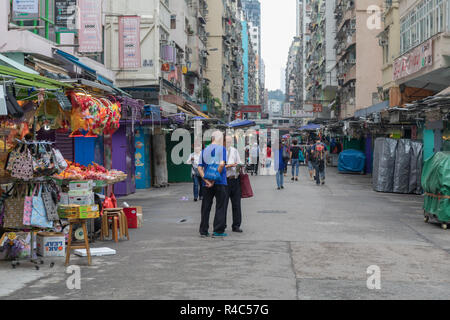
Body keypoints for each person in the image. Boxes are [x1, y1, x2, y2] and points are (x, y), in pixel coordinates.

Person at [197, 131, 228, 237]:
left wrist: (207, 180)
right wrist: (213, 180)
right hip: (220, 182)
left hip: (206, 184)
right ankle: (218, 231)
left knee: (206, 206)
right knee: (220, 206)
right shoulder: (222, 149)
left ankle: (203, 231)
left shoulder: (204, 150)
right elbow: (221, 165)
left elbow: (199, 167)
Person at [225, 135, 243, 233]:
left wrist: (239, 166)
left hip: (235, 179)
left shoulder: (234, 151)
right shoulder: (220, 151)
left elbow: (239, 162)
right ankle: (222, 225)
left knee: (236, 204)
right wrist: (229, 165)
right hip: (225, 180)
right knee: (223, 204)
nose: (229, 143)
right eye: (227, 141)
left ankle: (236, 225)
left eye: (230, 142)